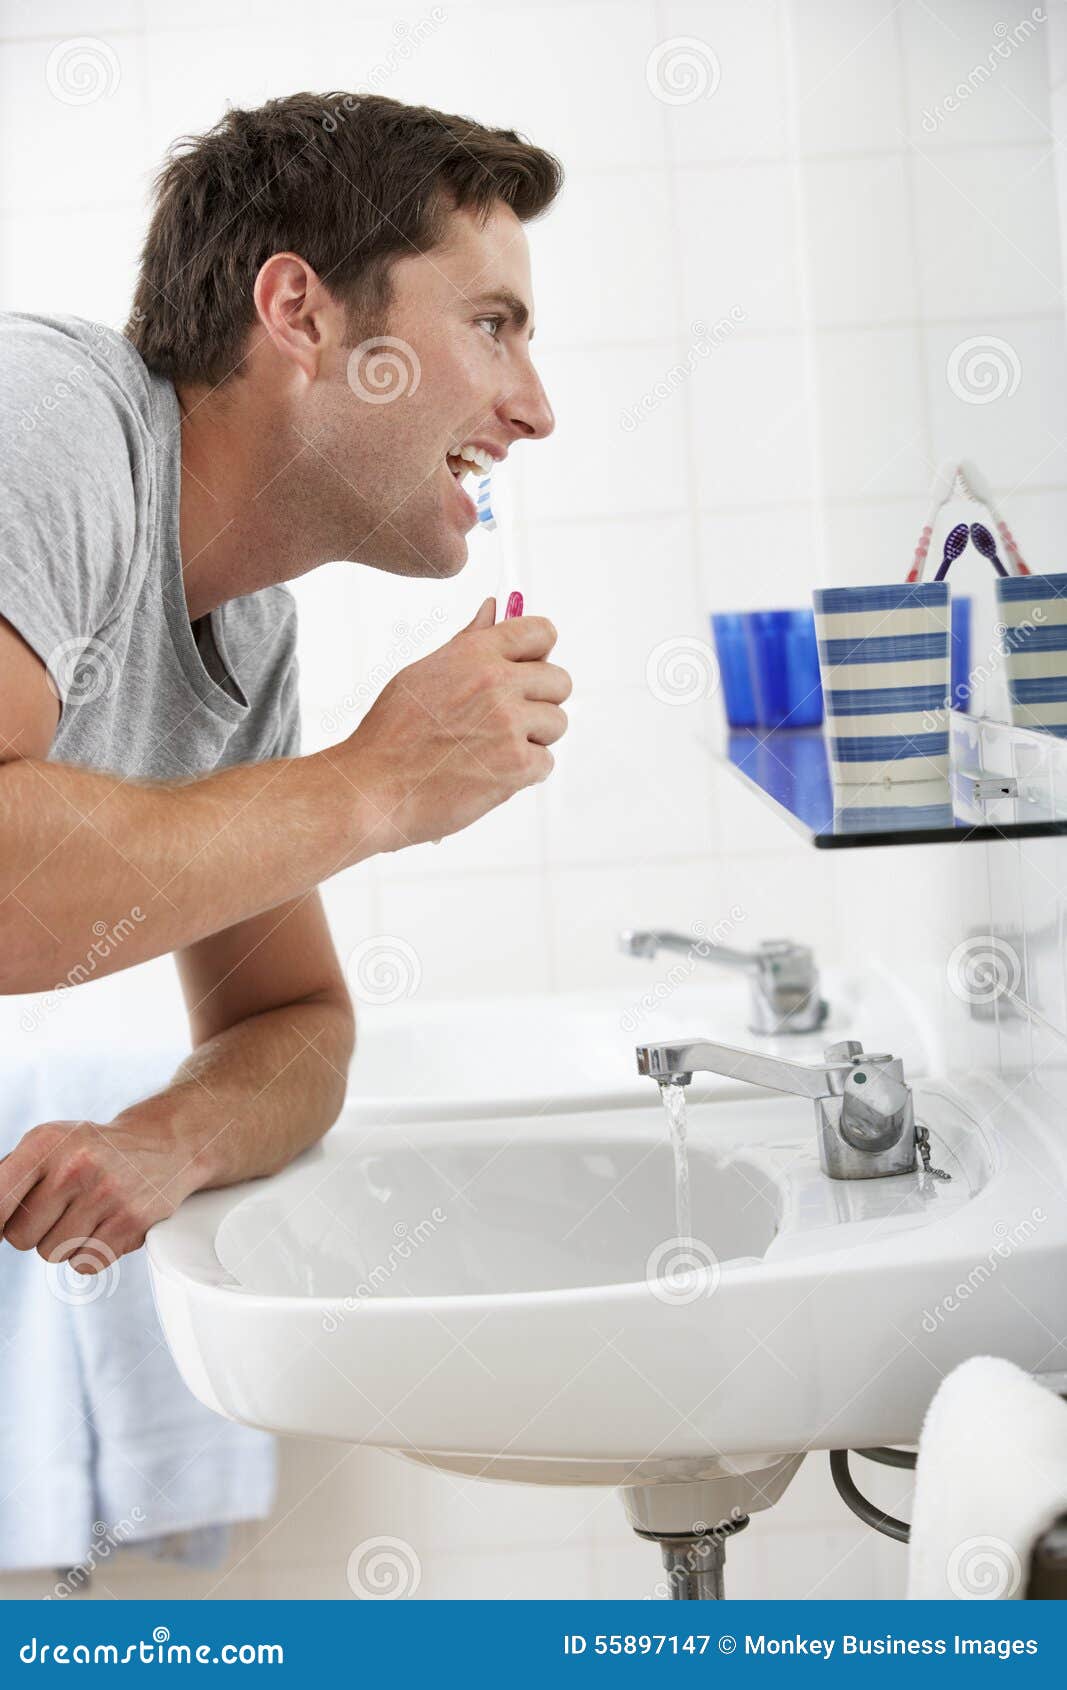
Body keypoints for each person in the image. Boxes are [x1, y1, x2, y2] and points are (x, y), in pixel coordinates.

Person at [0, 92, 570, 1273]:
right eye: (490, 326)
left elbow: (296, 1026)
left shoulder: (246, 630)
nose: (533, 408)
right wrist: (376, 784)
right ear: (302, 314)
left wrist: (167, 1139)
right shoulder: (48, 422)